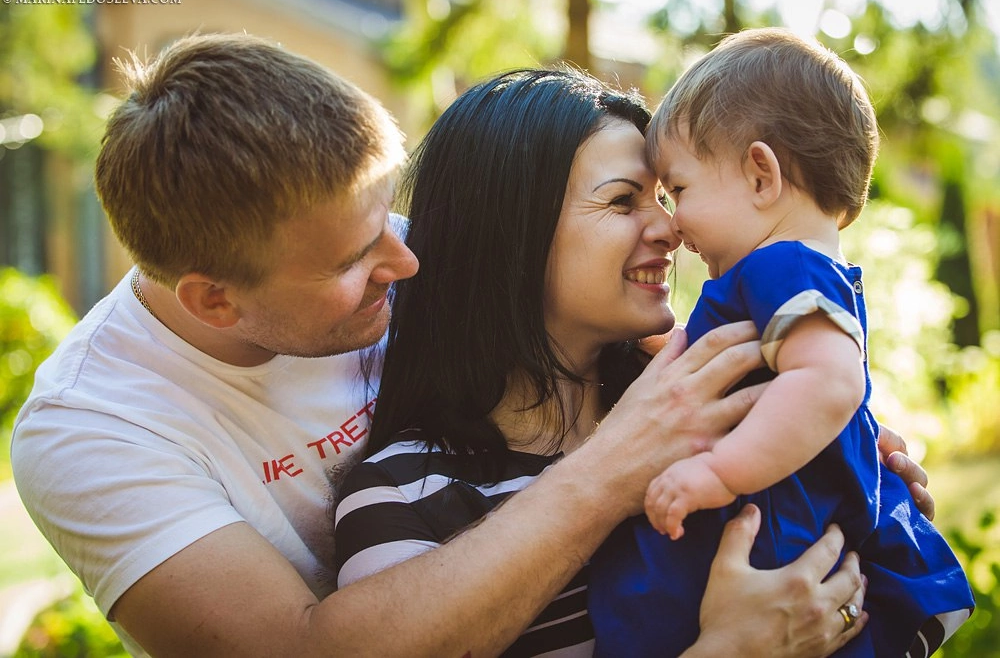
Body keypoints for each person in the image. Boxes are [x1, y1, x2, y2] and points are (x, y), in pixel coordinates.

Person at [11, 33, 931, 657]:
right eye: (358, 253)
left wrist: (848, 459)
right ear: (216, 300)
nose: (413, 258)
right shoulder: (94, 428)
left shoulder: (641, 370)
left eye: (393, 215)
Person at [331, 67, 938, 657]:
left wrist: (868, 507)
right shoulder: (403, 494)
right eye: (625, 201)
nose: (671, 230)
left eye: (668, 196)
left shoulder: (719, 408)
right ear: (512, 228)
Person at [587, 28, 974, 658]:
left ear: (761, 175)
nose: (674, 225)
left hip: (772, 539)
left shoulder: (780, 267)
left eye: (678, 190)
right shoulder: (795, 275)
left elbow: (832, 383)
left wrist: (716, 470)